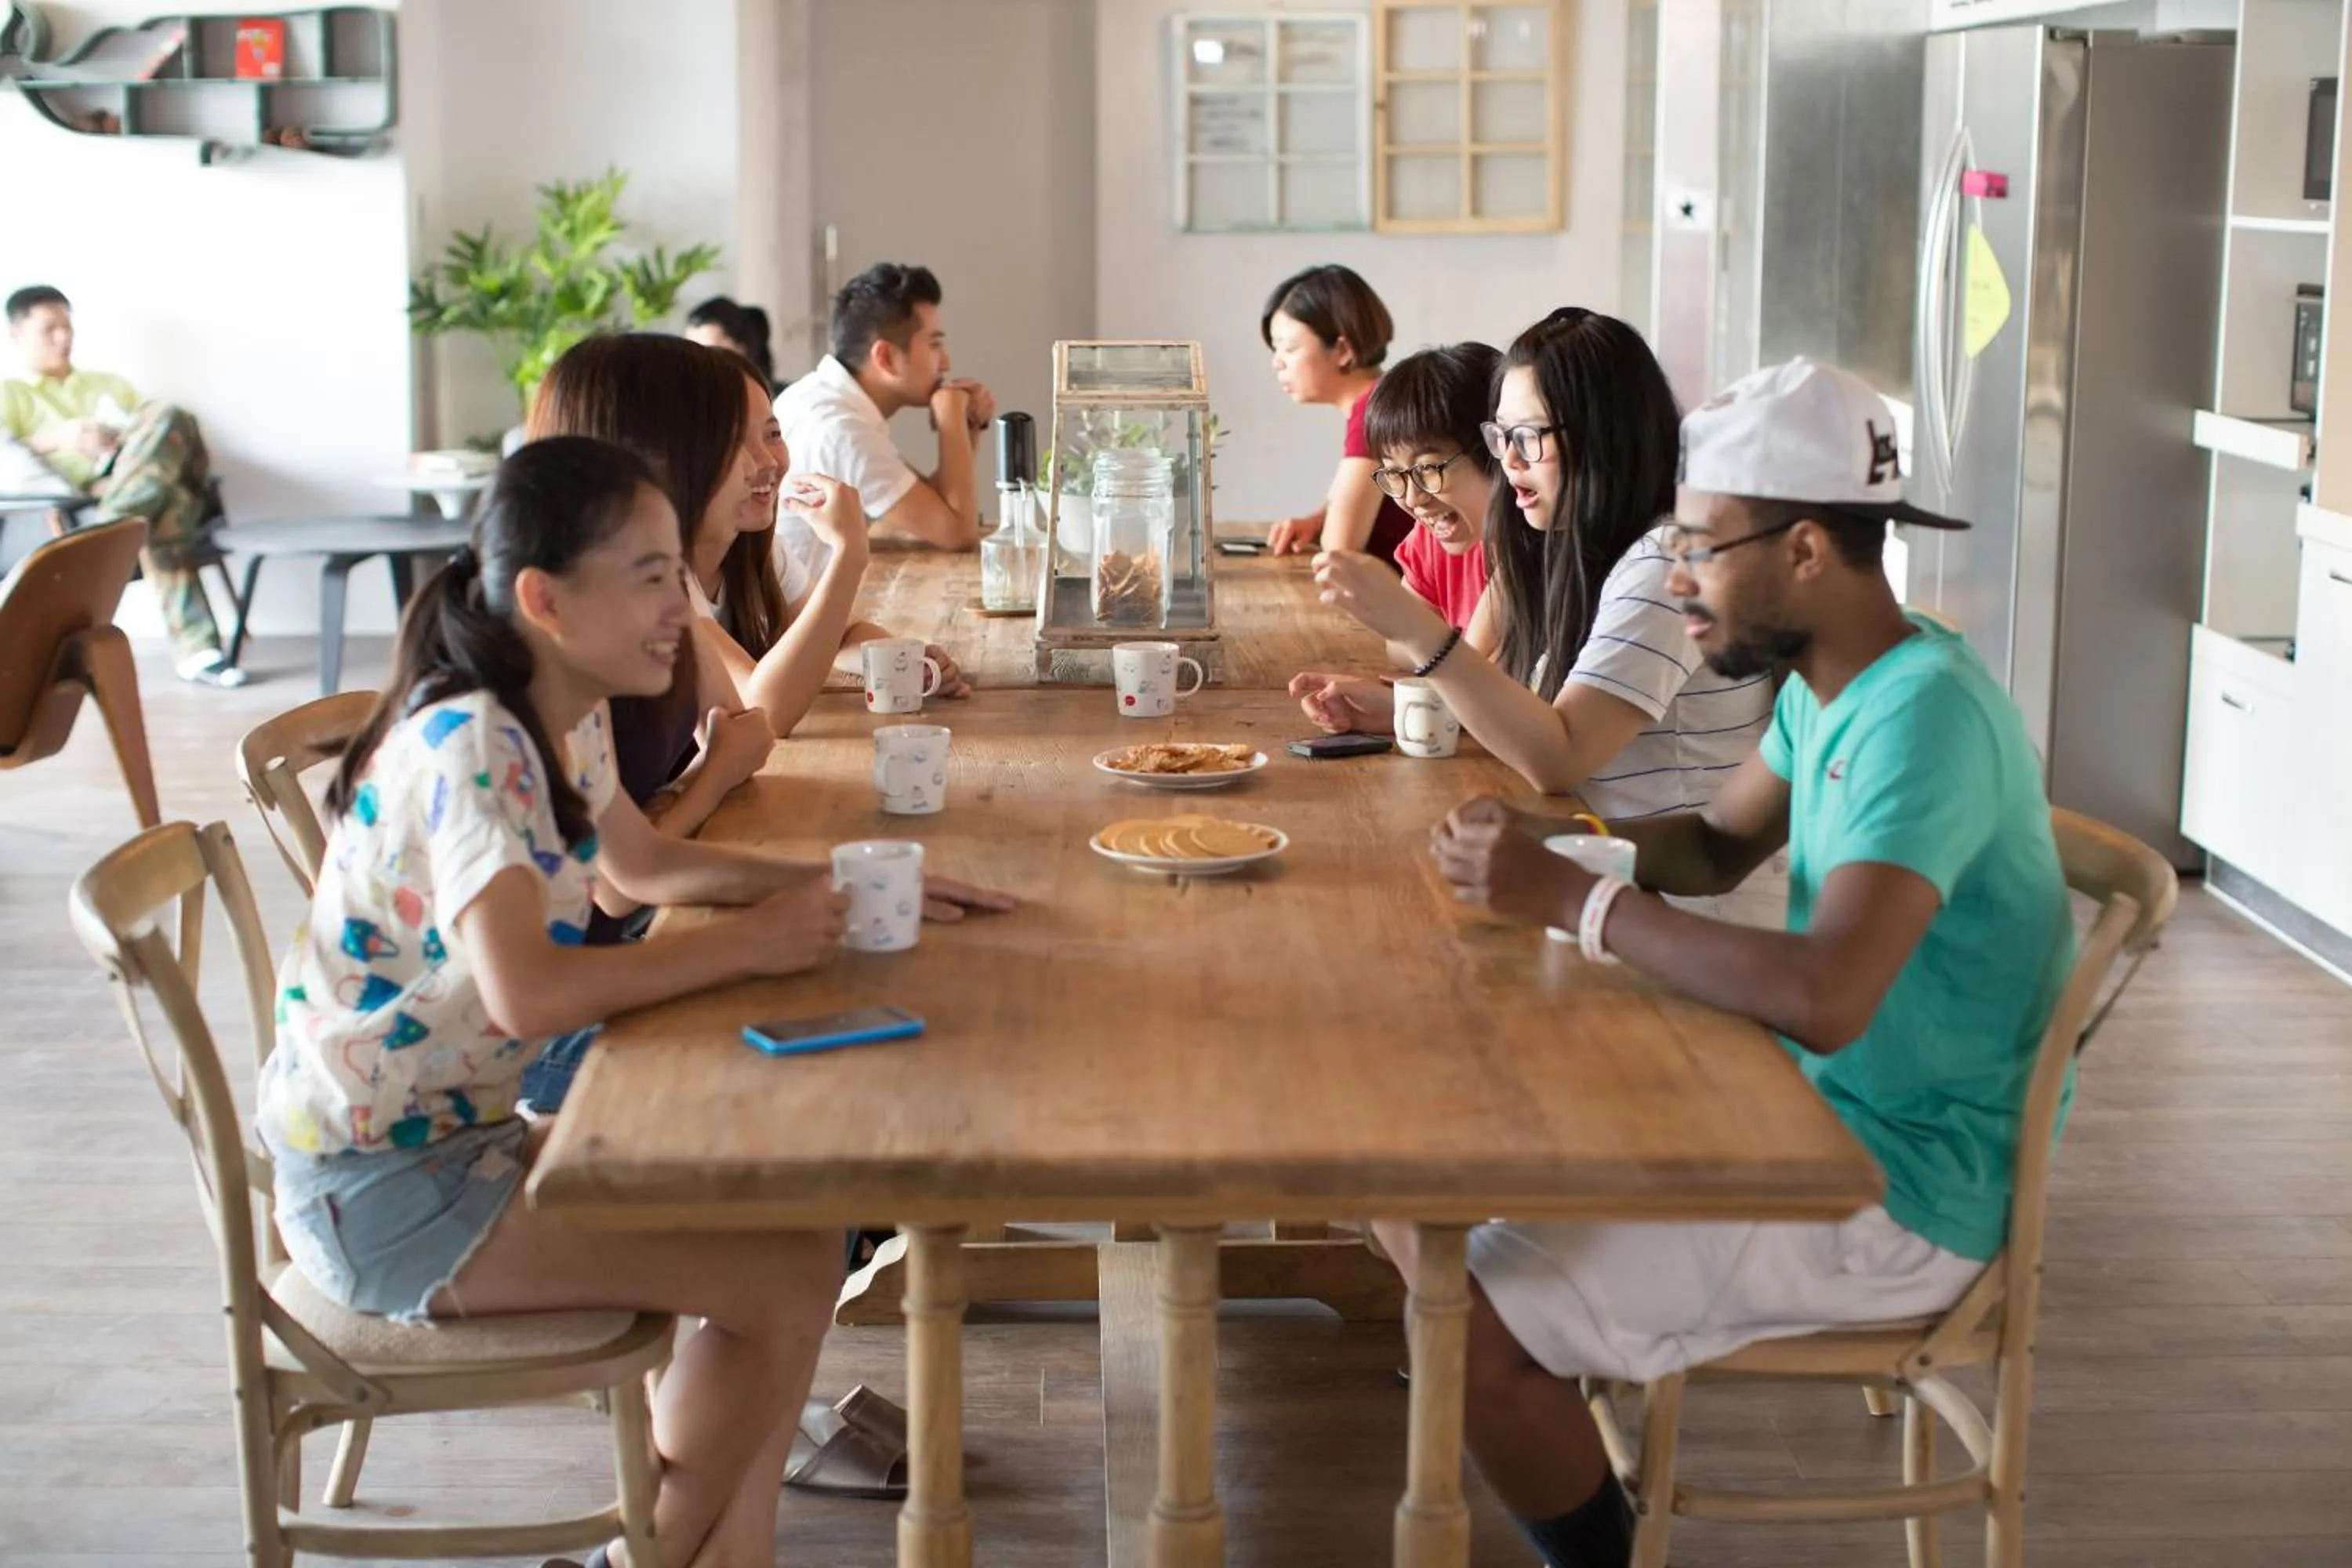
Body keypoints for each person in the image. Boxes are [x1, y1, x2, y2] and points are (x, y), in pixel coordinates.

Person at [256, 437, 1006, 1567]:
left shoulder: (563, 707)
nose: (680, 605)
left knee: (803, 1224)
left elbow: (643, 865)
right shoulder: (475, 748)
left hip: (455, 1139)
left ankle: (718, 1558)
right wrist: (751, 944)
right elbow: (527, 995)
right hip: (383, 1190)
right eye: (650, 576)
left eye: (678, 572)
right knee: (785, 1273)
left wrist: (833, 880)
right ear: (544, 599)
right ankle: (640, 1560)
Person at [1409, 358, 2074, 1568]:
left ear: (1806, 550)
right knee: (1433, 1178)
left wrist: (1575, 898)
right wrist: (1559, 848)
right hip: (1808, 1119)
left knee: (1467, 1324)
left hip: (1899, 1191)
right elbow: (1716, 848)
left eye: (1701, 549)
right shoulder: (1839, 684)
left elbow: (1826, 997)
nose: (1676, 580)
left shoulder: (1923, 717)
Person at [1291, 307, 1783, 924]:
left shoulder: (1666, 565)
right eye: (1501, 438)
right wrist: (1404, 708)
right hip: (1610, 880)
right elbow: (1529, 710)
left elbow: (1559, 756)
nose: (1509, 462)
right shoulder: (1576, 549)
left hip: (1693, 915)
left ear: (1602, 434)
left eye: (1527, 437)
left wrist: (1418, 632)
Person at [2, 284, 243, 686]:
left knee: (170, 415)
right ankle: (198, 651)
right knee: (165, 509)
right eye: (50, 329)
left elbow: (161, 438)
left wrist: (117, 441)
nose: (63, 337)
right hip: (91, 495)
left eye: (68, 327)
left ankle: (109, 528)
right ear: (16, 333)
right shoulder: (11, 396)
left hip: (135, 474)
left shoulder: (107, 384)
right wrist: (60, 438)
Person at [772, 263, 996, 579]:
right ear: (886, 358)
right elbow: (958, 533)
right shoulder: (842, 431)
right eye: (934, 344)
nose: (946, 362)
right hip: (797, 608)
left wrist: (965, 428)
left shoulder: (820, 396)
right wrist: (949, 414)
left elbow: (932, 504)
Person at [1260, 265, 1415, 564]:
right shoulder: (1385, 397)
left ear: (1343, 350)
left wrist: (1329, 529)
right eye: (1275, 349)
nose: (1277, 363)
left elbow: (1339, 551)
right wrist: (1320, 521)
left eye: (1289, 348)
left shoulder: (1374, 412)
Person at [1363, 341, 1501, 636]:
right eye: (1394, 473)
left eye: (1428, 469)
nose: (1413, 499)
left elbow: (1477, 661)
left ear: (1493, 451)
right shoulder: (1430, 540)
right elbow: (1400, 647)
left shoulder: (1535, 551)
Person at [685, 296, 779, 392]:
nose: (699, 364)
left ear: (742, 347)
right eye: (691, 354)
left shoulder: (785, 399)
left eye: (709, 353)